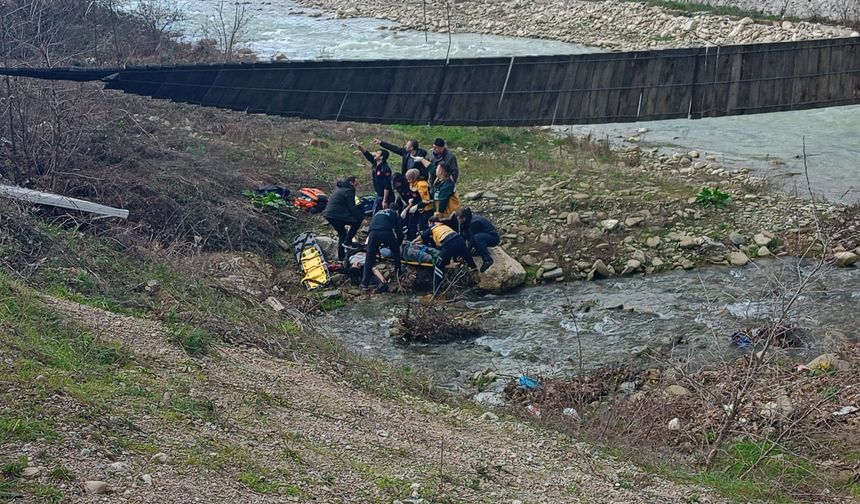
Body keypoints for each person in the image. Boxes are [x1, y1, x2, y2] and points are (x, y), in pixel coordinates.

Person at [417, 213, 476, 296]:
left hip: (449, 243)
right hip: (459, 239)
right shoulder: (444, 226)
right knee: (467, 257)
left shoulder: (433, 227)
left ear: (431, 222)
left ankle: (436, 292)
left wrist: (413, 242)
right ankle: (476, 273)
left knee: (438, 265)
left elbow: (422, 236)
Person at [322, 176, 365, 260]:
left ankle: (341, 256)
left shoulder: (341, 189)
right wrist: (362, 218)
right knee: (357, 222)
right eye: (356, 184)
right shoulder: (348, 191)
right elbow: (352, 207)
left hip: (329, 214)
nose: (357, 186)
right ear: (351, 183)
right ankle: (348, 242)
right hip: (335, 214)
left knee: (342, 234)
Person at [361, 208, 404, 291]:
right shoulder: (394, 213)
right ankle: (398, 272)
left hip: (372, 233)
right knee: (396, 252)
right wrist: (397, 244)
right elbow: (399, 230)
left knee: (369, 258)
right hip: (386, 232)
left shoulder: (378, 212)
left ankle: (364, 283)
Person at [457, 207, 500, 272]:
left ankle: (487, 260)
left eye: (459, 219)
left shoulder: (474, 222)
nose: (458, 221)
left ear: (464, 218)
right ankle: (479, 251)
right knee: (465, 233)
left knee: (478, 237)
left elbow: (472, 239)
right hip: (483, 235)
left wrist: (467, 252)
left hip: (493, 238)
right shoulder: (466, 221)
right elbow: (462, 235)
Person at [355, 143, 392, 214]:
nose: (374, 154)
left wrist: (384, 200)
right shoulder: (376, 163)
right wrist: (358, 145)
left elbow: (387, 186)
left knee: (378, 213)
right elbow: (367, 154)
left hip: (383, 196)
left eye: (377, 153)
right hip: (378, 194)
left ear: (381, 157)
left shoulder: (385, 169)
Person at [404, 168, 433, 239]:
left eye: (409, 179)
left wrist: (416, 206)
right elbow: (417, 197)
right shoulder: (413, 184)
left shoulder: (421, 185)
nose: (408, 181)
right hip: (421, 209)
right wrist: (412, 200)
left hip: (428, 209)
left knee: (424, 227)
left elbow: (426, 200)